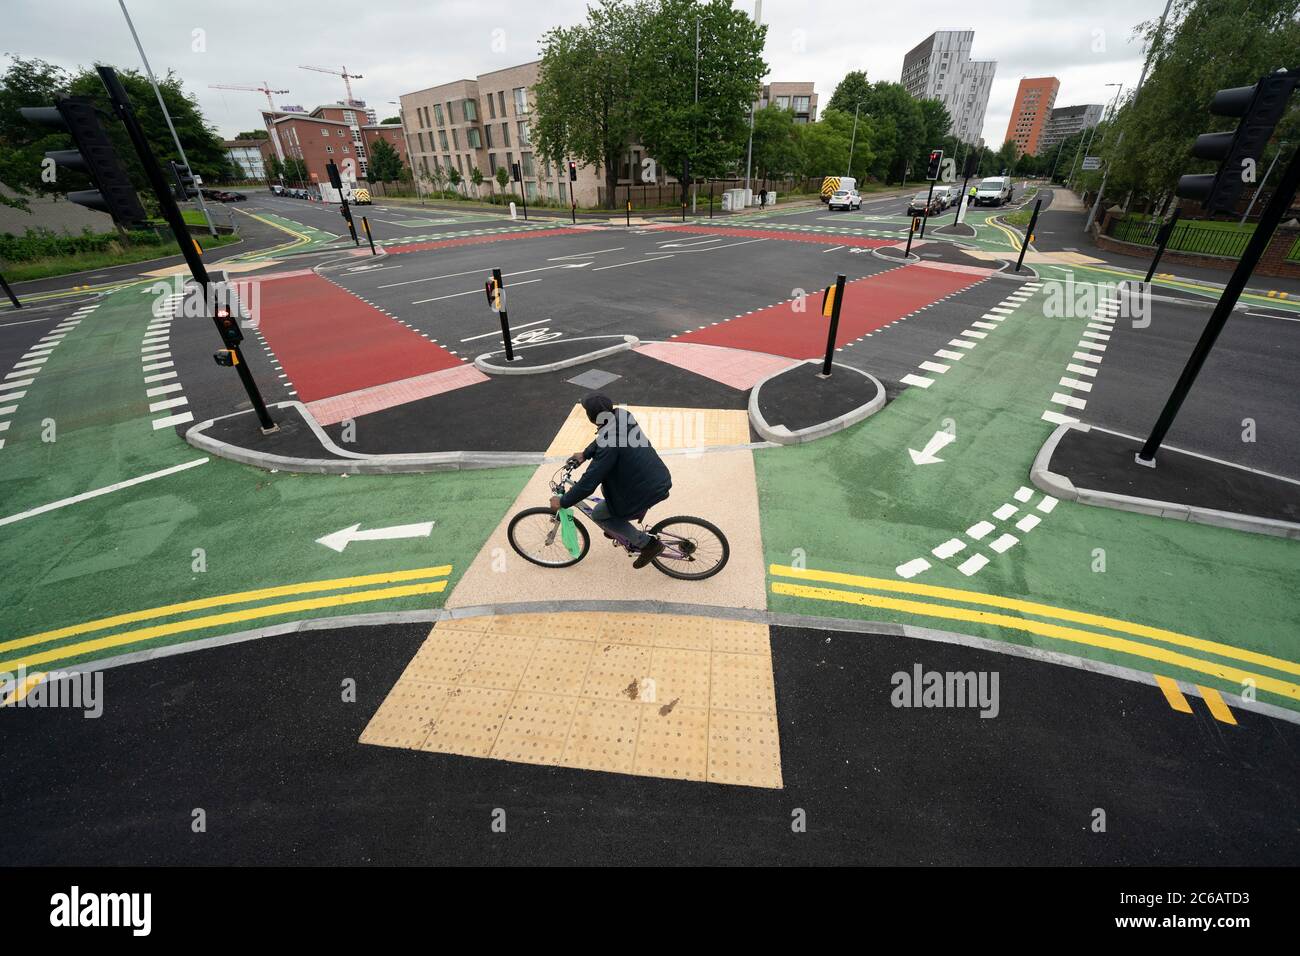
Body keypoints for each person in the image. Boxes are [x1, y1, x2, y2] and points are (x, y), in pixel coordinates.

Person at [550, 394, 672, 569]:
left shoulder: (609, 446)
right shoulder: (622, 415)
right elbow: (604, 436)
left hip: (643, 490)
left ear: (591, 416)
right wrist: (585, 454)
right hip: (657, 477)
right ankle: (619, 527)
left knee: (599, 514)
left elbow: (589, 483)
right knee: (612, 508)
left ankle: (648, 545)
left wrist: (563, 501)